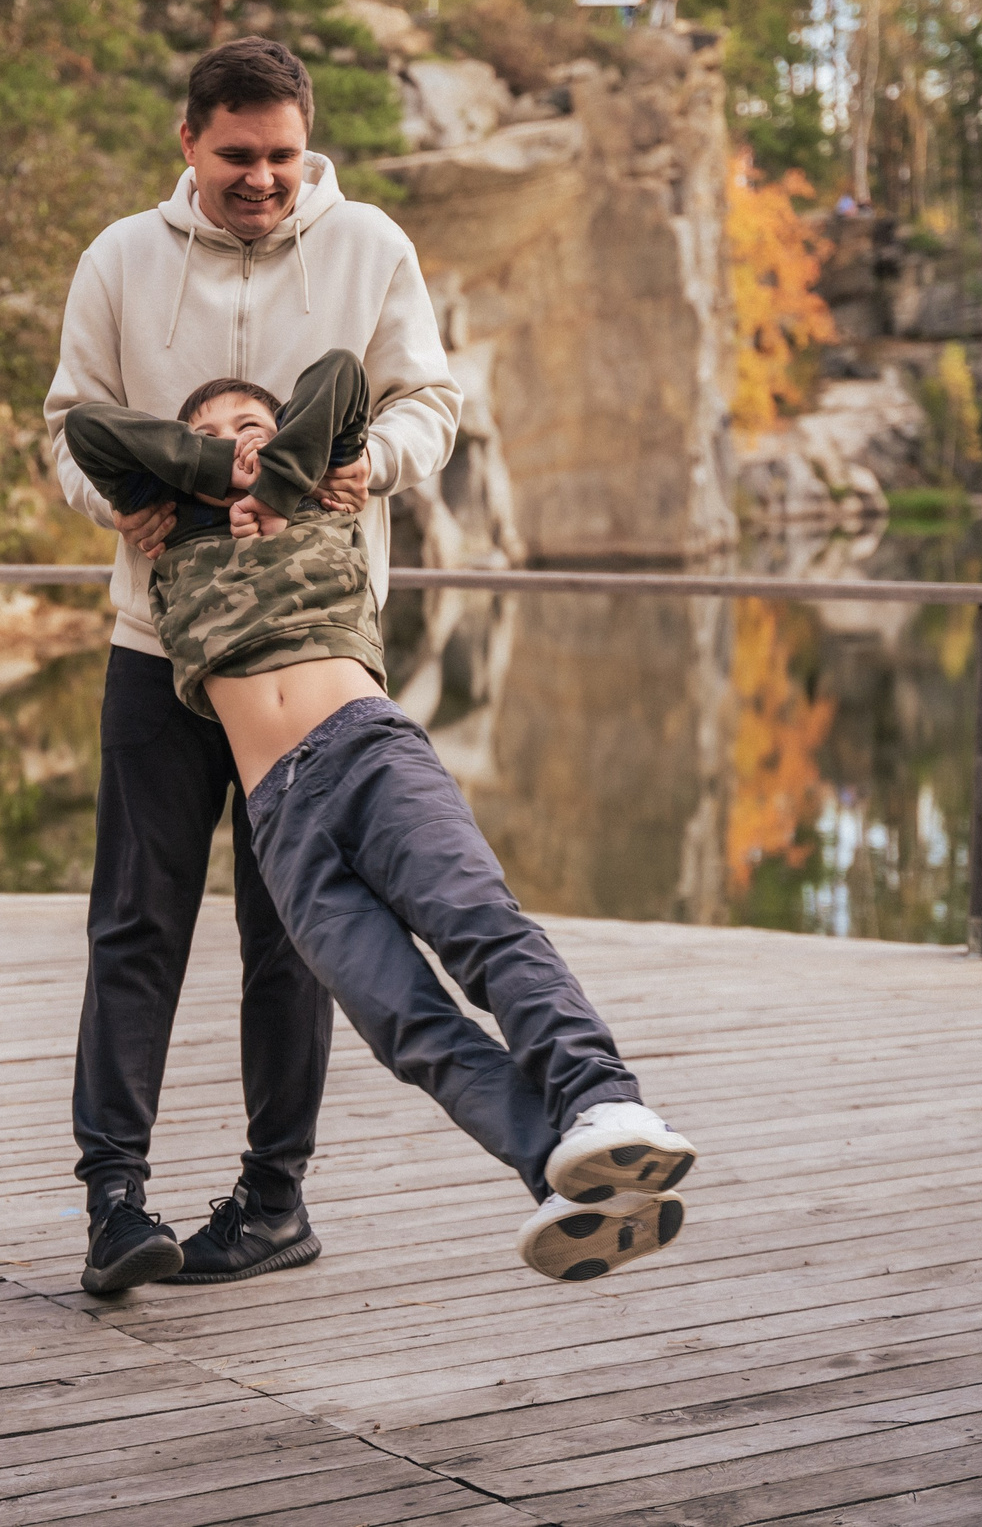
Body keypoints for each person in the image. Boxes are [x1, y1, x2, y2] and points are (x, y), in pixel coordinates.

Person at [64, 352, 700, 1284]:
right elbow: (89, 431)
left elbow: (341, 379)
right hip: (279, 823)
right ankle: (565, 1178)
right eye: (204, 435)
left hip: (369, 755)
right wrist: (212, 469)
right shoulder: (163, 530)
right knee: (401, 1019)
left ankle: (606, 1101)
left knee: (479, 927)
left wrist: (275, 476)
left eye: (250, 426)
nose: (232, 444)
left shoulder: (322, 497)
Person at [44, 37, 462, 1296]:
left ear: (306, 145)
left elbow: (428, 404)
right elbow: (67, 428)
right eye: (237, 155)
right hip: (157, 646)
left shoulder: (369, 245)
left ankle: (274, 1201)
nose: (263, 179)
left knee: (291, 932)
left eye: (282, 155)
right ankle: (114, 1202)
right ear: (188, 141)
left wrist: (373, 463)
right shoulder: (121, 258)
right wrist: (116, 503)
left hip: (313, 659)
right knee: (135, 923)